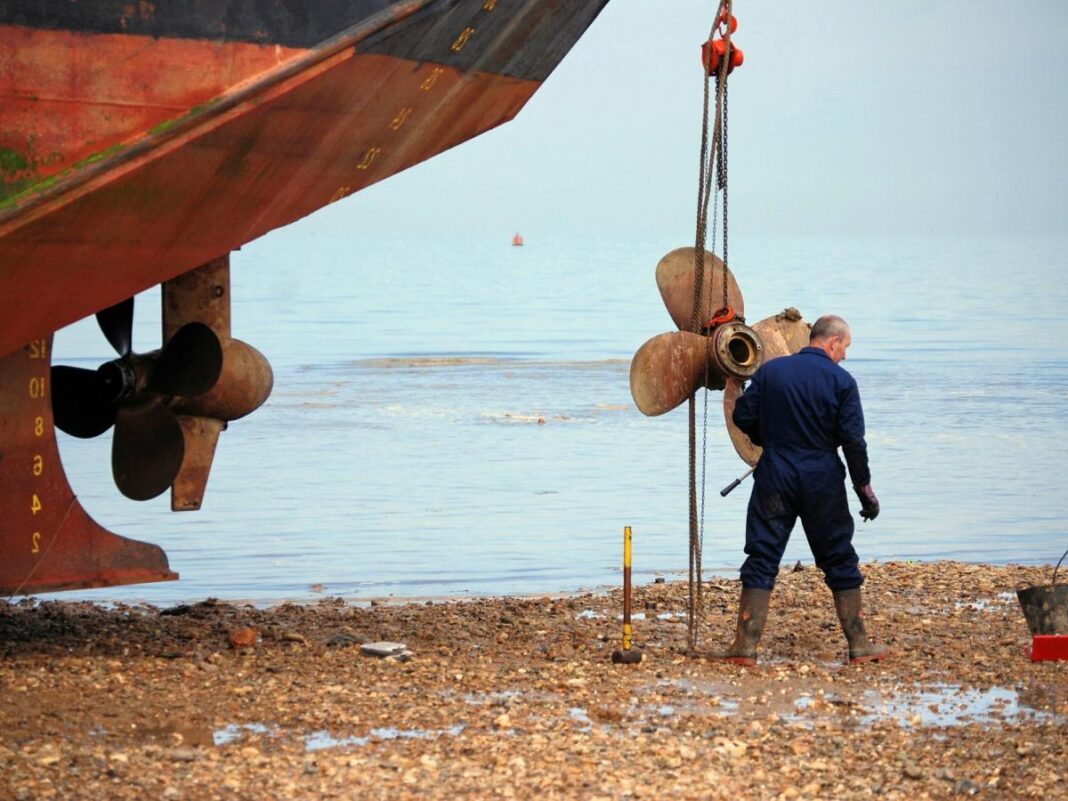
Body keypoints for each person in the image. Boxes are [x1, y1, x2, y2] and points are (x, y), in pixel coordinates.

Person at [709, 314, 887, 664]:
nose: (845, 356)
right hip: (822, 476)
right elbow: (853, 441)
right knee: (838, 556)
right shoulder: (842, 382)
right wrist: (864, 489)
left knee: (762, 555)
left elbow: (742, 415)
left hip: (775, 471)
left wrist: (769, 438)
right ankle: (859, 645)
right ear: (832, 342)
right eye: (845, 347)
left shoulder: (771, 372)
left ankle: (745, 649)